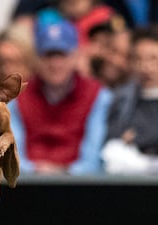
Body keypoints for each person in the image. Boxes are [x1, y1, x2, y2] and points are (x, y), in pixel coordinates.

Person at [9, 19, 112, 175]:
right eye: (49, 56)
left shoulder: (98, 95)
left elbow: (93, 158)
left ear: (76, 56)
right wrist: (36, 171)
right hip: (28, 184)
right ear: (37, 58)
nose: (55, 64)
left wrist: (62, 173)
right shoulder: (18, 95)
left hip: (80, 186)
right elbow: (12, 156)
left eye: (62, 55)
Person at [102, 26, 158, 174]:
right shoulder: (120, 99)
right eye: (138, 59)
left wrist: (136, 139)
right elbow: (111, 143)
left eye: (153, 59)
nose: (146, 67)